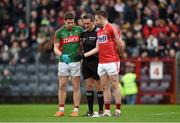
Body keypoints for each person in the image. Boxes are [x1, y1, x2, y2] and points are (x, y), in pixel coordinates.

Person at [84, 10, 125, 116]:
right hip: (101, 63)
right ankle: (107, 111)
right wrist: (84, 55)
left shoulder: (112, 27)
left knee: (115, 85)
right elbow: (97, 48)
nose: (96, 22)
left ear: (102, 18)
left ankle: (118, 110)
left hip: (112, 60)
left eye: (96, 19)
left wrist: (120, 54)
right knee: (105, 86)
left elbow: (120, 43)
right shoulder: (100, 31)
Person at [53, 11, 83, 117]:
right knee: (62, 85)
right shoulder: (59, 32)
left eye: (72, 22)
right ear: (64, 21)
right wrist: (62, 55)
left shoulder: (79, 30)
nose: (70, 24)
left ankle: (76, 110)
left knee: (76, 86)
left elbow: (84, 43)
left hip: (75, 61)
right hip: (63, 62)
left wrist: (81, 54)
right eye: (68, 22)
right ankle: (61, 109)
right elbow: (55, 48)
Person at [80, 14, 104, 116]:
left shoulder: (99, 32)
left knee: (98, 87)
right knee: (88, 86)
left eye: (88, 23)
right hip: (86, 63)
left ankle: (101, 111)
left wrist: (83, 55)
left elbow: (98, 48)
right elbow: (80, 46)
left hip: (96, 62)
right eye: (84, 23)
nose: (86, 25)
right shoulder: (83, 33)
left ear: (93, 22)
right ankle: (90, 111)